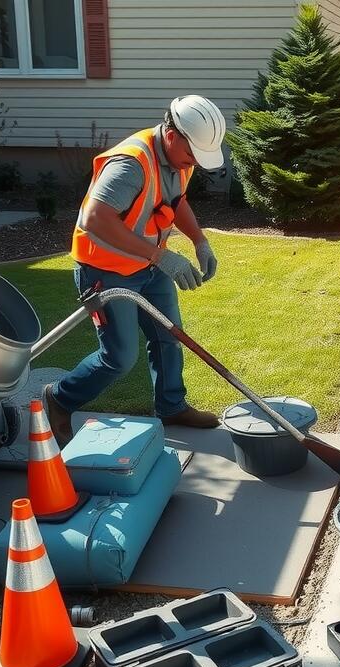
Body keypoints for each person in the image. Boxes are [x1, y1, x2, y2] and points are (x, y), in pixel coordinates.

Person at [42, 95, 227, 445]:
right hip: (106, 271)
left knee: (169, 336)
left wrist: (199, 240)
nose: (194, 164)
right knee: (119, 357)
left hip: (149, 264)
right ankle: (59, 399)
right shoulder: (131, 164)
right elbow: (95, 219)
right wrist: (160, 257)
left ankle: (171, 406)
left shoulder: (179, 160)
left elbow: (177, 200)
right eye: (192, 155)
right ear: (173, 135)